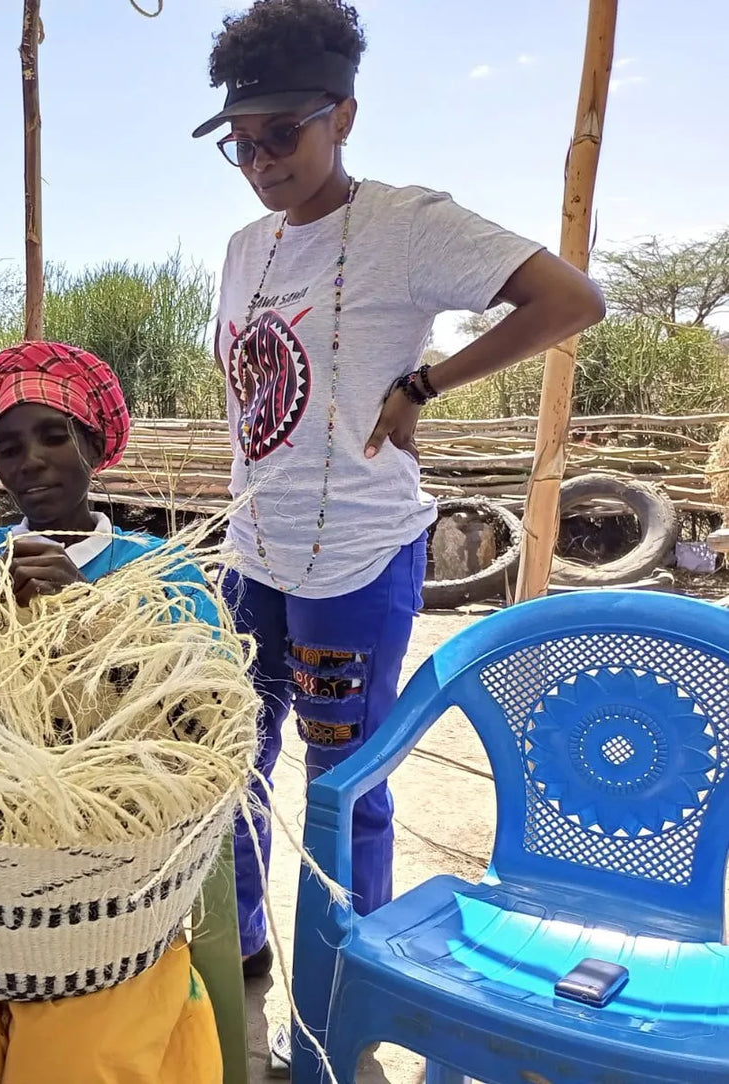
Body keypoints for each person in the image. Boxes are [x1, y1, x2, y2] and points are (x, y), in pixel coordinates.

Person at [191, 0, 606, 994]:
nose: (258, 160)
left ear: (343, 114)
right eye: (239, 143)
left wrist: (426, 382)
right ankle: (240, 945)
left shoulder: (401, 225)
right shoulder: (245, 249)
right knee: (225, 763)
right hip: (252, 557)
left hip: (355, 560)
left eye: (279, 134)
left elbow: (569, 298)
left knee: (343, 785)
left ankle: (345, 973)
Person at [0, 342, 222, 1084]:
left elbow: (200, 707)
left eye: (53, 436)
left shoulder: (156, 565)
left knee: (79, 1054)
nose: (31, 460)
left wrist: (87, 614)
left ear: (93, 444)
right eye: (10, 447)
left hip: (108, 888)